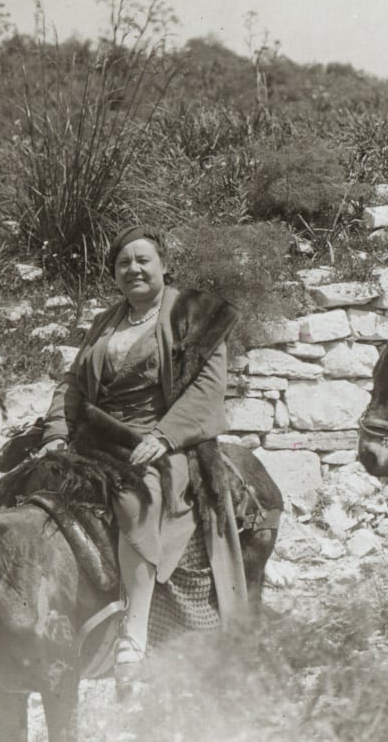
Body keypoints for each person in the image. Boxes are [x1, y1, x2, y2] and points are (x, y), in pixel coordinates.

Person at [37, 226, 248, 684]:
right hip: (96, 435)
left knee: (137, 493)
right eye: (123, 263)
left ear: (164, 264)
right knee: (27, 487)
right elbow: (72, 385)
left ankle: (132, 634)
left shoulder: (193, 314)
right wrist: (55, 433)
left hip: (158, 438)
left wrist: (167, 436)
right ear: (114, 275)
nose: (133, 268)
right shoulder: (105, 322)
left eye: (142, 259)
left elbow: (208, 387)